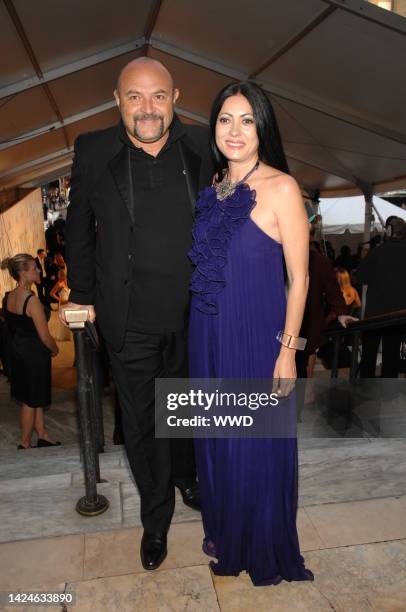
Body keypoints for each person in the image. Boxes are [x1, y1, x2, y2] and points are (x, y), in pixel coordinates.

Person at [61, 57, 214, 570]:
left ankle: (187, 476)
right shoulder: (93, 149)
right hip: (128, 320)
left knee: (190, 408)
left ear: (175, 98)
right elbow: (77, 226)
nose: (147, 108)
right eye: (134, 97)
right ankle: (155, 517)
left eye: (157, 96)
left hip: (196, 316)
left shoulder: (203, 144)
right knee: (143, 423)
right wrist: (81, 292)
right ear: (117, 99)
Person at [188, 81, 313, 586]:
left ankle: (259, 541)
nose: (234, 131)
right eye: (225, 119)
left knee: (253, 443)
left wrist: (288, 354)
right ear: (214, 126)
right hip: (207, 333)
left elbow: (300, 278)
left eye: (246, 120)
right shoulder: (215, 185)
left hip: (256, 336)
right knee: (217, 439)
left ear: (263, 127)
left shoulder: (283, 188)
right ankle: (227, 530)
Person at [1, 254, 60, 449]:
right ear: (23, 273)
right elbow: (44, 336)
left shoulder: (8, 297)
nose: (38, 271)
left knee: (35, 396)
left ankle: (42, 434)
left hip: (19, 353)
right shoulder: (31, 301)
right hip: (35, 355)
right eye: (34, 268)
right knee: (30, 400)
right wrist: (55, 349)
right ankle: (25, 444)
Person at [357, 217, 406, 377]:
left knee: (369, 355)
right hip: (399, 314)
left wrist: (363, 258)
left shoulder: (377, 252)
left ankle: (365, 391)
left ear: (388, 231)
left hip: (375, 314)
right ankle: (388, 394)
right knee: (391, 356)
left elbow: (360, 278)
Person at [50, 269, 71, 341]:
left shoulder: (67, 282)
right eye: (61, 275)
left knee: (68, 319)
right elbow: (52, 293)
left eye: (63, 275)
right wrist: (59, 299)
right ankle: (63, 336)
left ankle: (68, 336)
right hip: (62, 304)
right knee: (63, 320)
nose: (63, 276)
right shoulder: (59, 283)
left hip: (68, 303)